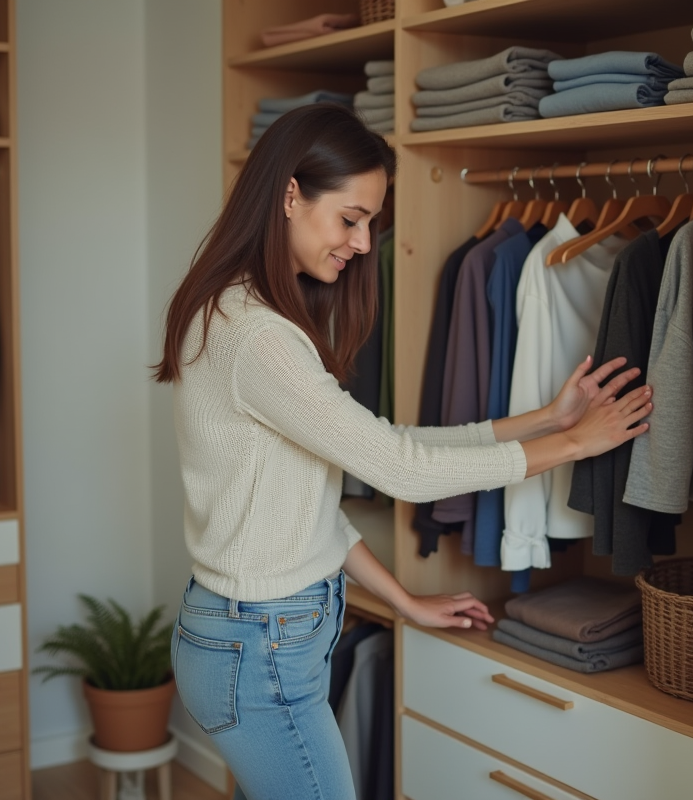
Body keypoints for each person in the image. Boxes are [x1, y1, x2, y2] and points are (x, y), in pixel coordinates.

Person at [153, 104, 653, 800]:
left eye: (371, 225)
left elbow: (327, 502)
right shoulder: (259, 338)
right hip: (258, 652)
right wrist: (573, 444)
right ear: (291, 195)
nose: (362, 243)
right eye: (350, 218)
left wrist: (542, 419)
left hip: (249, 640)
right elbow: (399, 469)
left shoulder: (235, 311)